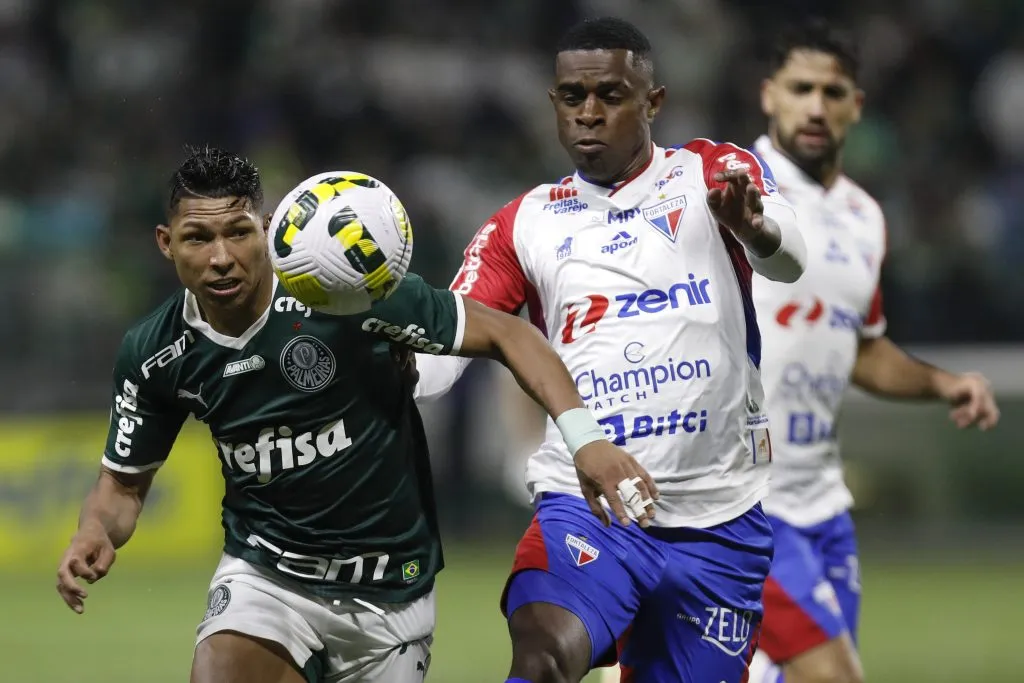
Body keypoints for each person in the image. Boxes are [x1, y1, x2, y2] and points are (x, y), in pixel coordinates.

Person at [53, 146, 658, 683]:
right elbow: (123, 484)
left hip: (391, 593)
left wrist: (584, 439)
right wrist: (96, 531)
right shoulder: (157, 355)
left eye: (238, 233)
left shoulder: (345, 290)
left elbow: (510, 335)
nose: (221, 258)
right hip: (269, 579)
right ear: (166, 243)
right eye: (197, 239)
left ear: (266, 229)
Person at [414, 17, 809, 683]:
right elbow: (439, 355)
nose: (589, 114)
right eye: (573, 97)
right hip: (588, 504)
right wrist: (384, 345)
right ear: (553, 104)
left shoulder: (711, 172)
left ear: (652, 102)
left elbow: (792, 261)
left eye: (611, 95)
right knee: (543, 657)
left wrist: (754, 228)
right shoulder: (524, 222)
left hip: (719, 517)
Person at [740, 19, 1000, 683]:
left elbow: (863, 350)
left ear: (857, 104)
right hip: (743, 501)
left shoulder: (864, 216)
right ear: (770, 95)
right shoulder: (732, 192)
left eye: (834, 91)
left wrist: (944, 383)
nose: (816, 105)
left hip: (822, 502)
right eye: (801, 88)